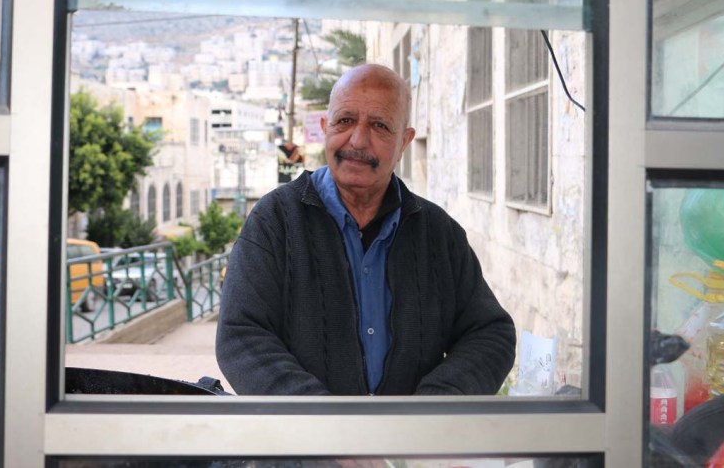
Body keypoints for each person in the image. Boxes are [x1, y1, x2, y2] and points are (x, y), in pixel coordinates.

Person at [216, 63, 515, 395]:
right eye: (345, 121)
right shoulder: (275, 221)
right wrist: (325, 425)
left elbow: (490, 334)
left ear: (404, 141)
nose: (358, 140)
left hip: (411, 444)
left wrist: (433, 407)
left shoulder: (438, 234)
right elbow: (240, 335)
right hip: (309, 443)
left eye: (379, 125)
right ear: (325, 126)